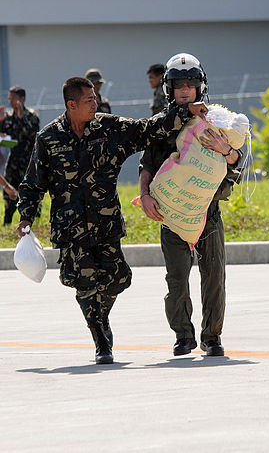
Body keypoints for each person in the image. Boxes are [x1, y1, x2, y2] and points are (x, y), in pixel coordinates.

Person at [16, 76, 207, 365]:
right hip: (71, 228)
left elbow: (147, 129)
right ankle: (101, 340)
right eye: (89, 100)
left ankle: (100, 317)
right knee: (85, 283)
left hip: (106, 223)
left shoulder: (109, 127)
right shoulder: (48, 139)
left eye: (95, 98)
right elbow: (33, 184)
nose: (96, 103)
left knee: (118, 279)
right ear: (71, 105)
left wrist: (185, 112)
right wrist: (25, 217)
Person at [139, 53, 242, 357]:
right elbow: (146, 166)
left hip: (208, 212)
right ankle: (183, 335)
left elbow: (239, 160)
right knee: (176, 278)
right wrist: (145, 196)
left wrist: (226, 149)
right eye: (178, 83)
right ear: (169, 88)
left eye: (191, 83)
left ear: (201, 86)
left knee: (214, 276)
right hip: (173, 215)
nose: (185, 88)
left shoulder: (216, 119)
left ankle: (212, 336)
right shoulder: (161, 124)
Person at [0, 86, 39, 224]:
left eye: (14, 99)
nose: (11, 102)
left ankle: (35, 220)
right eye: (9, 99)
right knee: (8, 192)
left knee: (30, 191)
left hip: (29, 161)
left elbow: (31, 134)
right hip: (13, 160)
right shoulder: (8, 118)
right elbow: (2, 133)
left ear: (22, 99)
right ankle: (7, 222)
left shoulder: (32, 116)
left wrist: (21, 115)